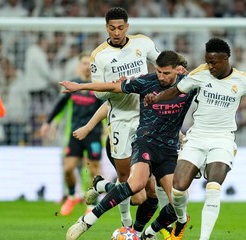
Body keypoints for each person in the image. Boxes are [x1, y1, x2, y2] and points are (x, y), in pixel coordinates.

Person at [144, 38, 246, 240]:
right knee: (178, 190)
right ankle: (180, 221)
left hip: (222, 140)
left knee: (213, 187)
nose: (210, 66)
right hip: (196, 138)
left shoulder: (243, 80)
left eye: (214, 62)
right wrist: (156, 97)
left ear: (226, 59)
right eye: (207, 61)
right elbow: (176, 90)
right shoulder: (201, 73)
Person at [60, 50, 196, 240]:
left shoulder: (189, 84)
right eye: (159, 71)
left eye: (166, 73)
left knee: (178, 203)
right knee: (136, 186)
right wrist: (80, 86)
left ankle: (145, 235)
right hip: (144, 143)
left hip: (169, 150)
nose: (161, 77)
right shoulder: (146, 81)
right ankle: (86, 221)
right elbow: (113, 88)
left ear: (177, 70)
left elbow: (213, 81)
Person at [86, 6, 164, 231]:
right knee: (130, 187)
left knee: (150, 190)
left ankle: (135, 231)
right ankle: (114, 203)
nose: (117, 32)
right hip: (119, 119)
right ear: (106, 28)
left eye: (121, 27)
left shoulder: (143, 43)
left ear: (127, 27)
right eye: (112, 28)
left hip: (145, 117)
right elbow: (98, 94)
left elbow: (161, 65)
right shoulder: (99, 55)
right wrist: (118, 86)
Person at [40, 52, 104, 216]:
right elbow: (60, 105)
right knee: (68, 168)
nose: (87, 67)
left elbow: (106, 109)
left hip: (93, 133)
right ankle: (71, 195)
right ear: (78, 65)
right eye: (84, 63)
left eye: (90, 64)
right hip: (75, 133)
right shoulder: (73, 85)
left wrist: (108, 129)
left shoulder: (98, 86)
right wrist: (49, 123)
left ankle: (92, 203)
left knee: (94, 169)